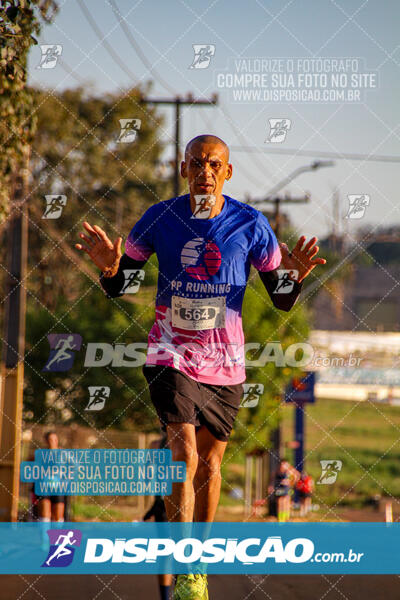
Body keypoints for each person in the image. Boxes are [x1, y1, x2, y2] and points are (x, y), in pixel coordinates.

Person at [76, 134, 326, 599]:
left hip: (226, 364)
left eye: (213, 164)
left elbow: (282, 298)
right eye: (196, 163)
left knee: (211, 464)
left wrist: (294, 277)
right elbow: (121, 283)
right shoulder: (159, 218)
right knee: (184, 454)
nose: (204, 171)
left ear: (227, 173)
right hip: (170, 353)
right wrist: (110, 269)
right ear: (184, 170)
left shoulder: (251, 224)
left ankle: (199, 567)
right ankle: (183, 560)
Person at [143, 435, 173, 600]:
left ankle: (184, 591)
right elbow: (146, 475)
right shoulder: (156, 445)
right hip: (163, 506)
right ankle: (165, 597)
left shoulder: (191, 442)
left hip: (187, 506)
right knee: (166, 553)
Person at [32, 431, 65, 523]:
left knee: (58, 518)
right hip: (44, 487)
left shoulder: (63, 454)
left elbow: (75, 466)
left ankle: (56, 536)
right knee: (44, 516)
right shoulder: (40, 454)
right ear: (46, 441)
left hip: (58, 487)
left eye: (55, 439)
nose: (53, 442)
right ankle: (44, 537)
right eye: (50, 439)